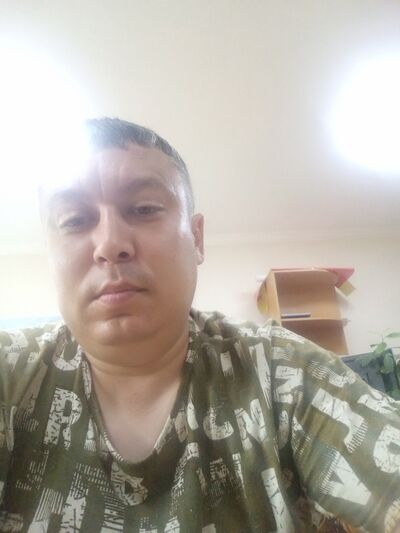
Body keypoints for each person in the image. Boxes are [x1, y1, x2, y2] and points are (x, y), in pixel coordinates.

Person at [0, 117, 399, 533]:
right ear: (50, 254)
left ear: (197, 238)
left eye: (143, 209)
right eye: (74, 220)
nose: (110, 244)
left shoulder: (281, 370)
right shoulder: (10, 373)